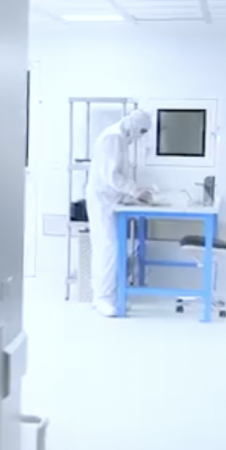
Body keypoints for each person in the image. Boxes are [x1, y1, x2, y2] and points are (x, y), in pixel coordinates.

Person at [86, 109, 154, 317]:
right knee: (107, 249)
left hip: (110, 200)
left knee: (110, 249)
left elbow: (117, 174)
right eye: (142, 131)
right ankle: (102, 299)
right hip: (102, 201)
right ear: (134, 125)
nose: (140, 136)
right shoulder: (113, 138)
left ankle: (113, 297)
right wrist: (134, 191)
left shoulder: (120, 138)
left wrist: (131, 195)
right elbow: (111, 176)